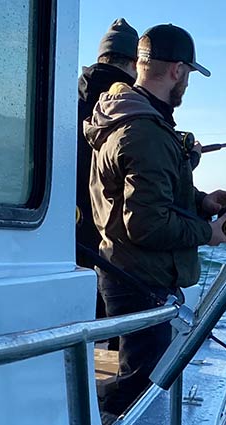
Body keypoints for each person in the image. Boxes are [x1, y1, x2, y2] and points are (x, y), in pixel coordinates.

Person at [84, 23, 226, 423]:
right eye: (187, 75)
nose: (186, 84)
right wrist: (210, 233)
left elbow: (154, 194)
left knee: (137, 380)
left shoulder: (132, 115)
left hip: (129, 272)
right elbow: (147, 224)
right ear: (176, 71)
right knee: (136, 393)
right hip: (138, 278)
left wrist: (203, 201)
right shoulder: (144, 130)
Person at [75, 18, 138, 319]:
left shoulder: (67, 98)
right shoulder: (126, 105)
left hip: (68, 239)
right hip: (107, 242)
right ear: (135, 63)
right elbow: (138, 170)